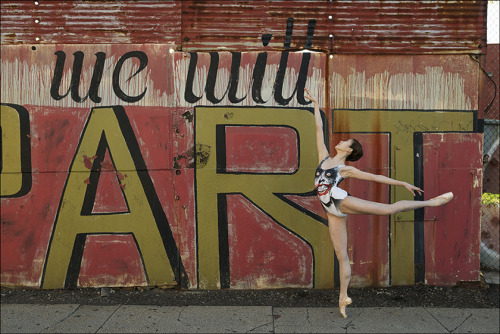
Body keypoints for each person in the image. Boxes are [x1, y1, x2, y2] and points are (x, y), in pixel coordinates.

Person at [304, 89, 453, 318]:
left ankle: (431, 203)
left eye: (346, 141)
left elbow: (376, 178)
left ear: (349, 150)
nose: (341, 140)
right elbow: (318, 129)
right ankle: (343, 297)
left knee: (390, 209)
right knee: (341, 255)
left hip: (338, 201)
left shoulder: (345, 169)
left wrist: (402, 182)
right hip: (331, 212)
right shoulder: (324, 157)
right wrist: (315, 104)